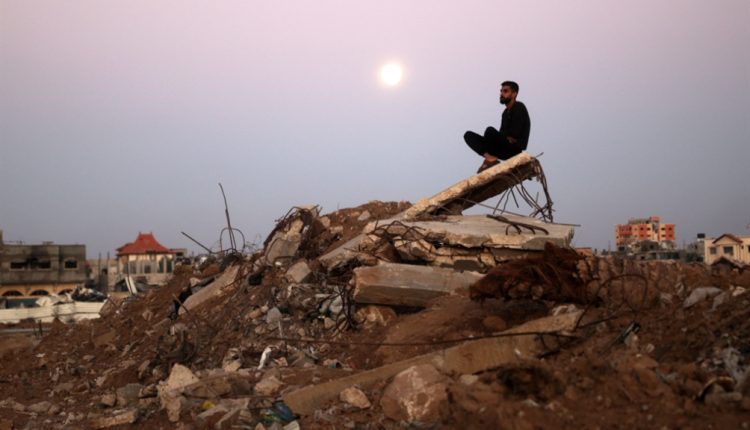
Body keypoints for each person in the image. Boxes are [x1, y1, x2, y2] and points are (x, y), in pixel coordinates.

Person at [464, 81, 530, 173]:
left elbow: (515, 133)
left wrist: (507, 137)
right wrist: (505, 137)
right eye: (501, 91)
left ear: (514, 94)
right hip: (502, 147)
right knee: (468, 135)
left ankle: (490, 159)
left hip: (513, 150)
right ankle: (491, 159)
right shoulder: (505, 113)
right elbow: (503, 134)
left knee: (489, 130)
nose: (501, 94)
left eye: (505, 91)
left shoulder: (519, 107)